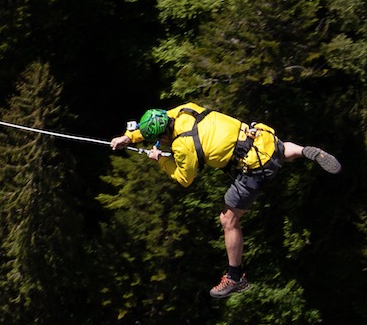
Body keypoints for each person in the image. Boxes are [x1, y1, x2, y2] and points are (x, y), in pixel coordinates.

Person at [109, 103, 340, 299]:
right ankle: (304, 150)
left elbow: (183, 178)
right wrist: (128, 138)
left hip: (256, 167)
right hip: (260, 138)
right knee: (278, 149)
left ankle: (234, 277)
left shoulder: (182, 146)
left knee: (228, 219)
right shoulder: (184, 111)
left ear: (164, 135)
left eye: (159, 140)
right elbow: (158, 124)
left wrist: (159, 159)